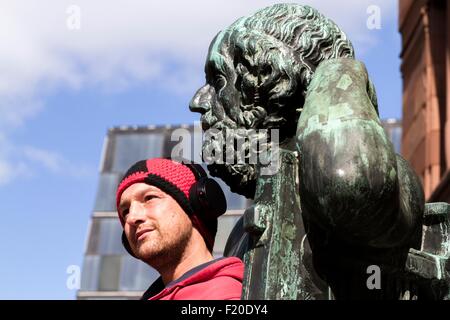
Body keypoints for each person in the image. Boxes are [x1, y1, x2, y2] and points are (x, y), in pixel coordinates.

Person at [116, 157, 244, 300]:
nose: (132, 218)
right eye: (125, 211)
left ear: (195, 207)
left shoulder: (224, 296)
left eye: (149, 198)